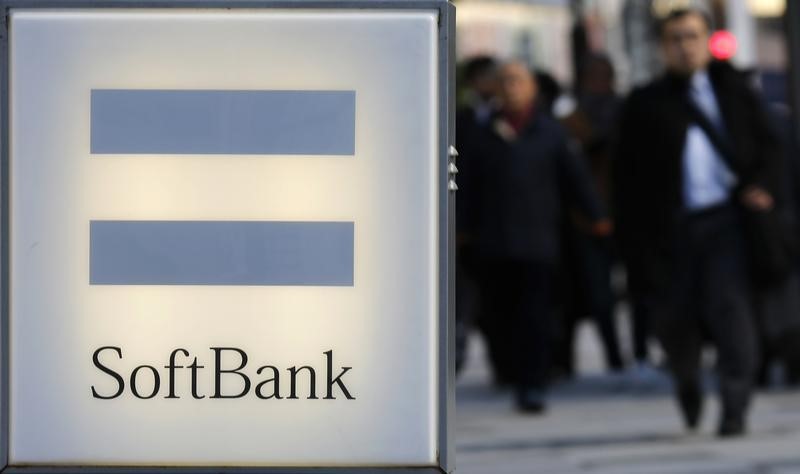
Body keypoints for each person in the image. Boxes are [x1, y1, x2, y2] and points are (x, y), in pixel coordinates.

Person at [614, 8, 784, 437]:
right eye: (674, 38)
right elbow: (626, 178)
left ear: (707, 40)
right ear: (662, 47)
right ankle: (687, 383)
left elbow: (772, 149)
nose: (684, 46)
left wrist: (761, 186)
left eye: (691, 36)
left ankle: (734, 407)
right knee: (675, 324)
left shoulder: (736, 92)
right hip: (669, 231)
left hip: (726, 224)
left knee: (733, 318)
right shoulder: (645, 102)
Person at [472, 60, 609, 413]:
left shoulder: (550, 133)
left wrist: (597, 216)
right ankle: (508, 370)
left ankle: (532, 382)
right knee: (496, 315)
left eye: (518, 81)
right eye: (505, 81)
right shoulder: (481, 131)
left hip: (538, 240)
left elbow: (574, 178)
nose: (512, 88)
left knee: (535, 315)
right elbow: (467, 185)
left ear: (532, 87)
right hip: (492, 242)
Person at [557, 53, 626, 376]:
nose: (600, 84)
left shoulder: (625, 113)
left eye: (605, 76)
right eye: (594, 77)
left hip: (626, 215)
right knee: (592, 294)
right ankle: (601, 358)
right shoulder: (571, 122)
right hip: (584, 221)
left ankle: (628, 354)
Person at [455, 56, 500, 374]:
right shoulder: (459, 117)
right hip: (464, 220)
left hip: (499, 220)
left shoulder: (508, 116)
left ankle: (503, 360)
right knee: (462, 295)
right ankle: (456, 354)